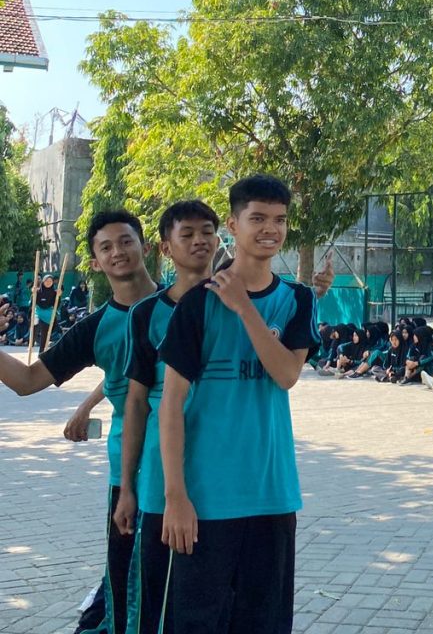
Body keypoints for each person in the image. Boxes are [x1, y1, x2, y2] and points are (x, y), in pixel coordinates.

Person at [159, 175, 321, 634]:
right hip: (206, 501)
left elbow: (286, 375)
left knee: (264, 623)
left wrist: (246, 308)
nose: (270, 229)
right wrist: (176, 496)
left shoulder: (297, 300)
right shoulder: (197, 305)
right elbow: (170, 405)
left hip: (272, 496)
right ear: (233, 224)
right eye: (258, 218)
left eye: (279, 220)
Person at [0, 209, 159, 634]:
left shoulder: (186, 307)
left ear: (146, 247)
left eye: (125, 241)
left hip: (195, 469)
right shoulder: (95, 328)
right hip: (130, 475)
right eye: (106, 247)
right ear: (95, 262)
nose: (117, 252)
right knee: (127, 588)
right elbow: (27, 381)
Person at [115, 200, 220, 634]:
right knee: (156, 600)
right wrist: (127, 488)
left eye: (208, 231)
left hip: (225, 478)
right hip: (161, 482)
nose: (200, 241)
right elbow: (136, 404)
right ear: (165, 247)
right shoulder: (146, 315)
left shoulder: (237, 304)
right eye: (187, 233)